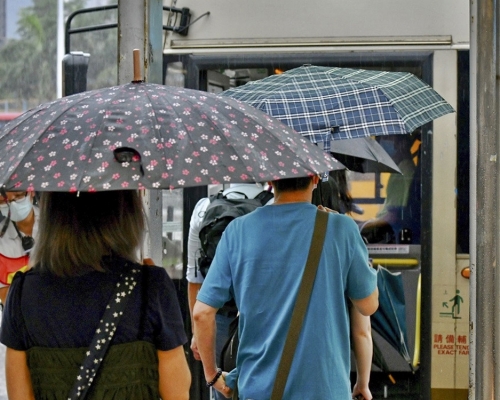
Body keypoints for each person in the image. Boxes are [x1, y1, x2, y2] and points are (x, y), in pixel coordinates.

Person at [193, 175, 379, 400]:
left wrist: (212, 376)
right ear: (315, 178)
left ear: (270, 181)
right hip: (327, 390)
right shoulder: (342, 228)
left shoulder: (237, 231)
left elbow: (202, 314)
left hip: (258, 389)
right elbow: (368, 306)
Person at [0, 190, 191, 400]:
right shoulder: (151, 286)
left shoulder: (23, 292)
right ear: (125, 212)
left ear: (51, 214)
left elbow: (19, 395)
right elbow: (177, 393)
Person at [187, 183, 272, 399]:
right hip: (262, 318)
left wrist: (197, 332)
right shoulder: (272, 206)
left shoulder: (204, 207)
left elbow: (195, 277)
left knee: (221, 387)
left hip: (216, 317)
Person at [311, 174, 373, 400]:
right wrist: (362, 383)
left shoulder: (279, 238)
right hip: (328, 376)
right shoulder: (346, 237)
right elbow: (362, 329)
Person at [359, 135, 416, 243]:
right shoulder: (400, 170)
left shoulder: (403, 172)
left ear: (401, 144)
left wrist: (363, 228)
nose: (381, 142)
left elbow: (393, 216)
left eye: (387, 138)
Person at [0, 191, 39, 305]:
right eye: (3, 200)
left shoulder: (56, 224)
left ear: (31, 191)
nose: (13, 204)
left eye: (18, 196)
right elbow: (7, 301)